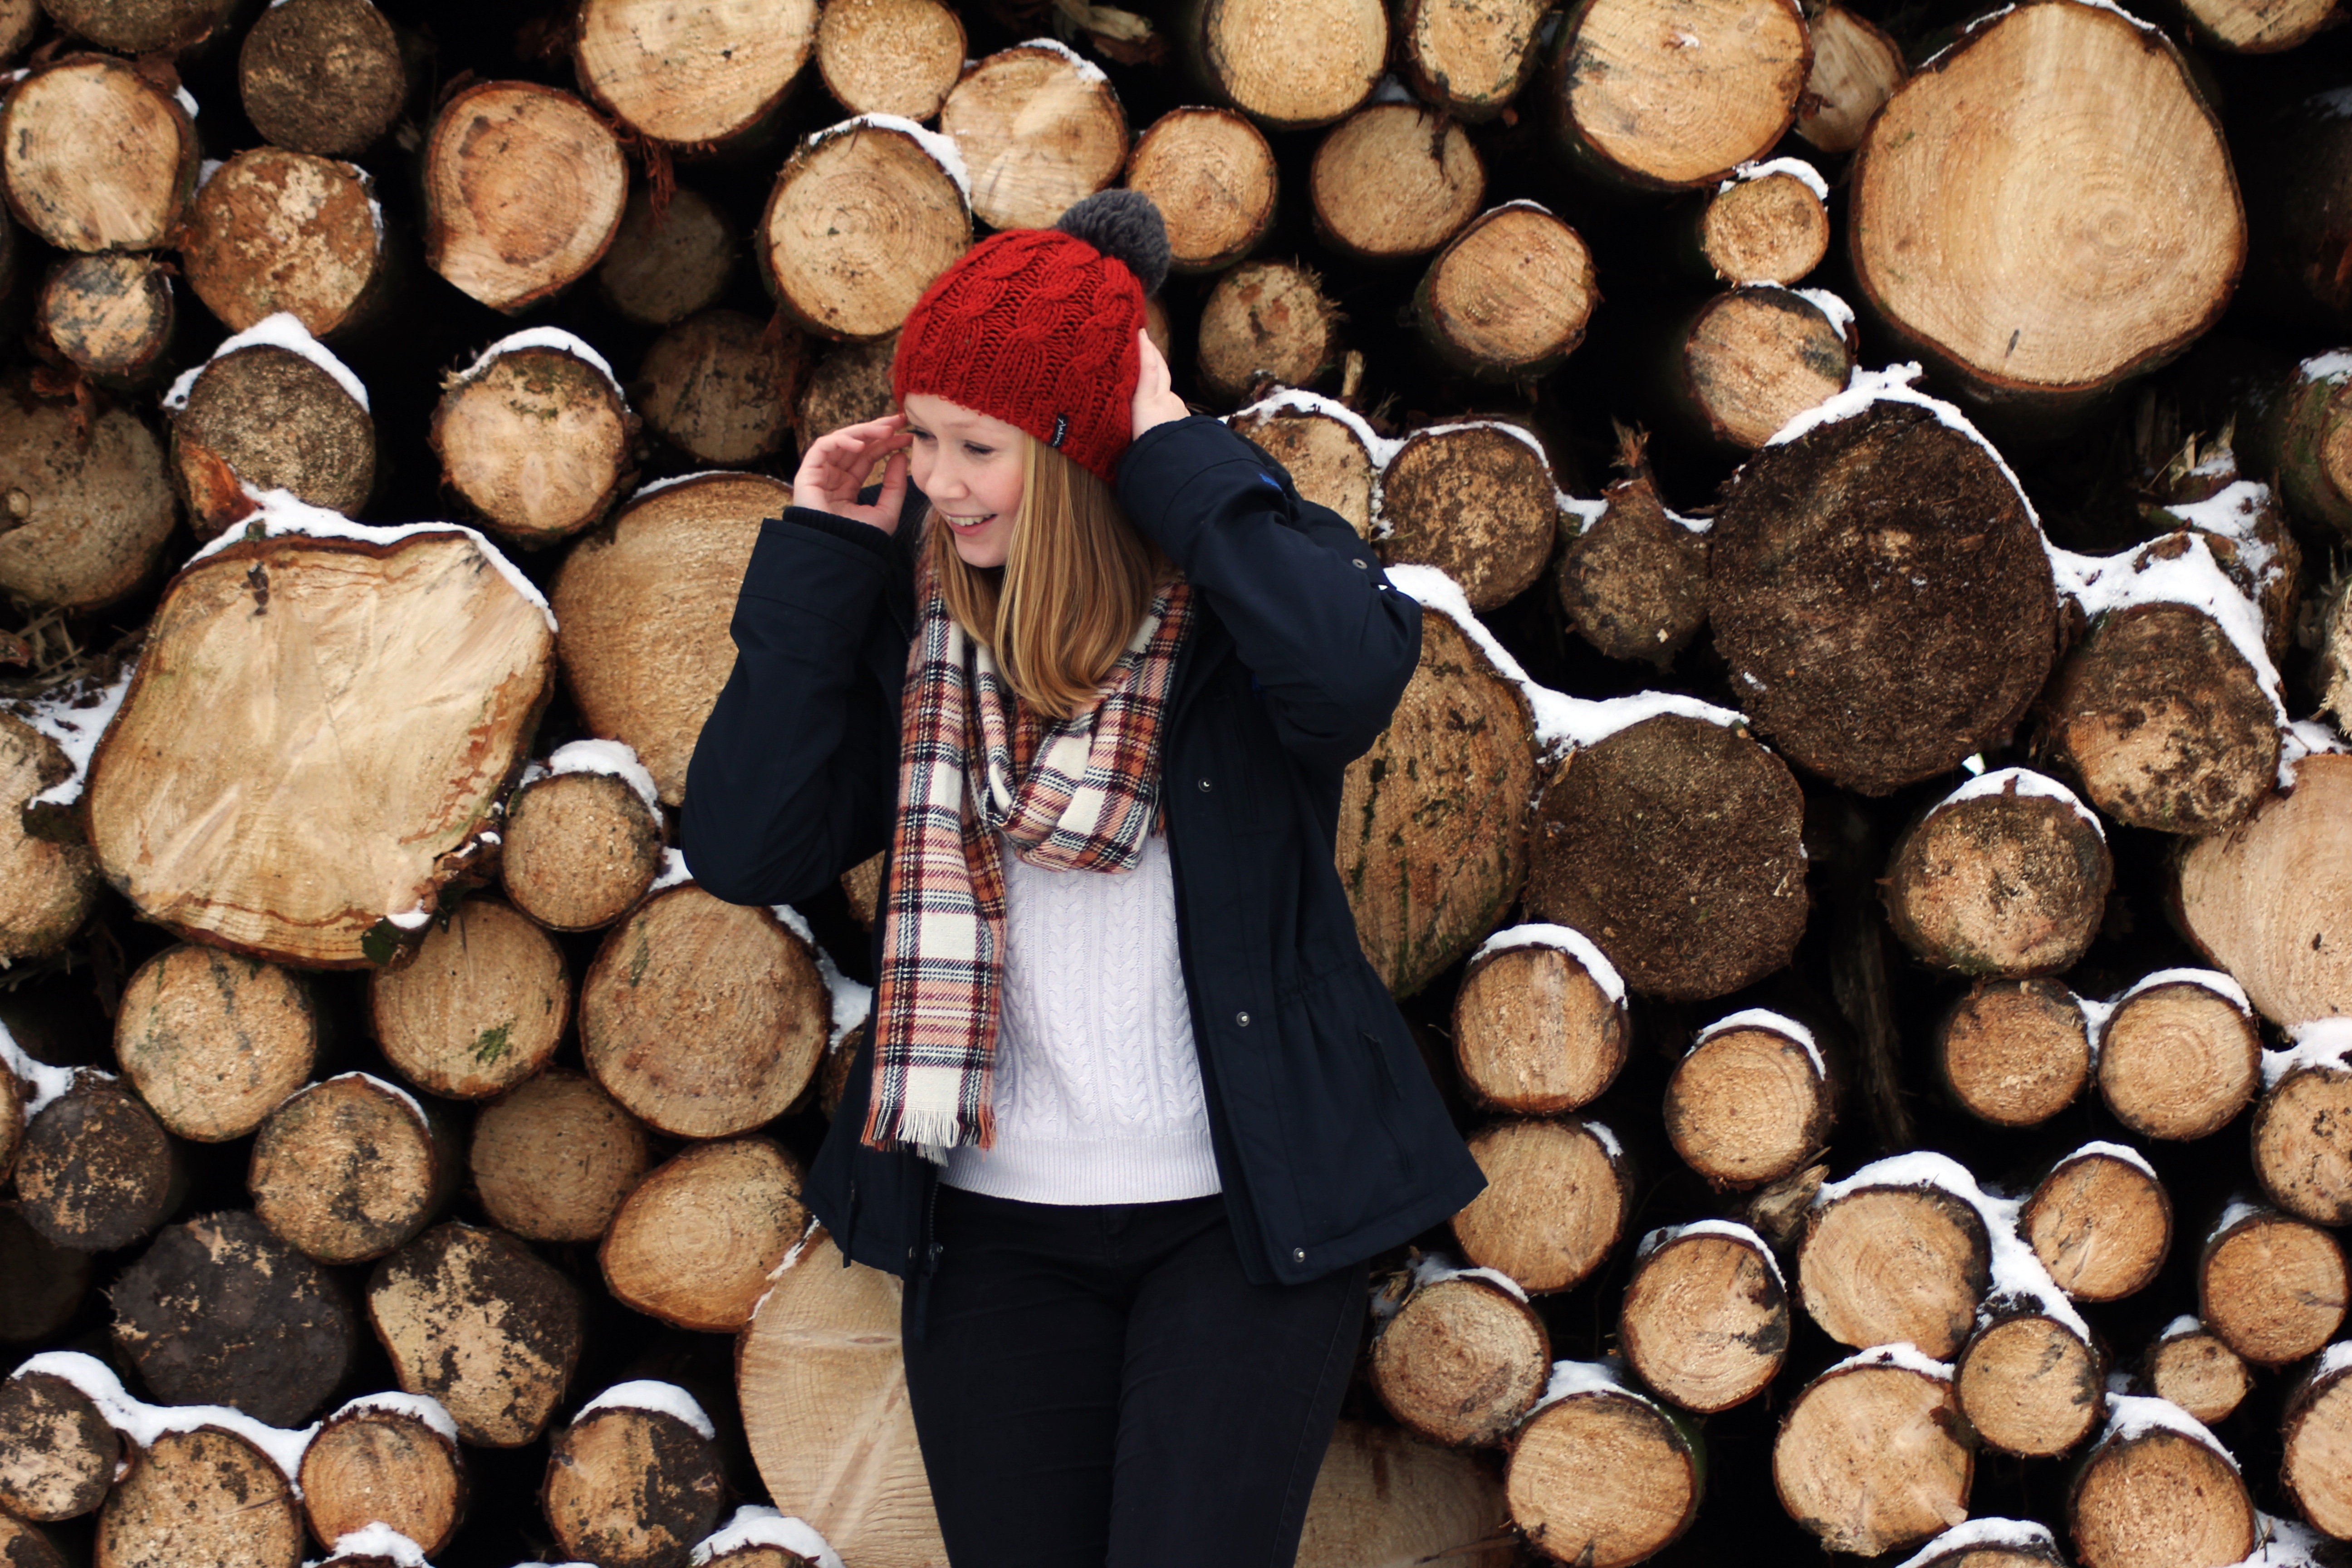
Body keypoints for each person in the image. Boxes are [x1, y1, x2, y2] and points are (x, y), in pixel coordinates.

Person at [681, 189, 1483, 1568]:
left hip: (1241, 1229)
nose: (935, 477)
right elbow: (748, 845)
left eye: (977, 445)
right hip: (991, 1231)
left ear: (1074, 448)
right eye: (922, 434)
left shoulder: (1236, 605)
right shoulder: (917, 620)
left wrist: (1163, 440)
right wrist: (823, 552)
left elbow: (1353, 672)